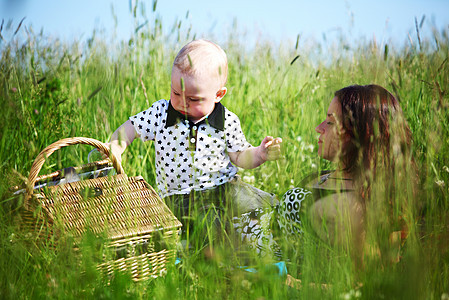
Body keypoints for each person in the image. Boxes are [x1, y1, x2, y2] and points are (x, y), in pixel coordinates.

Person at [106, 39, 282, 246]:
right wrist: (115, 147)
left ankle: (270, 241)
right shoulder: (161, 113)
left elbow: (240, 156)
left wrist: (260, 153)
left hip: (225, 189)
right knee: (209, 229)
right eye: (176, 93)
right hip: (181, 198)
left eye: (194, 99)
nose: (182, 102)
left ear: (218, 95)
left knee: (266, 207)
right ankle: (213, 259)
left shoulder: (226, 120)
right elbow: (131, 127)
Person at [235, 84, 416, 271]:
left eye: (330, 122)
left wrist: (286, 281)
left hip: (242, 257)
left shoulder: (354, 204)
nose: (318, 128)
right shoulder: (331, 178)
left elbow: (362, 280)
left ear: (359, 134)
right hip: (237, 227)